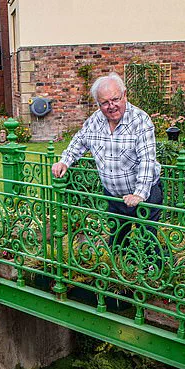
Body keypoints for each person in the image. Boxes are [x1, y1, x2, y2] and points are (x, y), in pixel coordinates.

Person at [51, 72, 163, 250]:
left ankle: (153, 272)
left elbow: (147, 160)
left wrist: (139, 194)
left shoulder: (140, 121)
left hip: (144, 196)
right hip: (114, 197)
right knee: (117, 245)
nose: (111, 106)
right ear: (98, 104)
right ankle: (118, 272)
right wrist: (65, 161)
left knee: (147, 245)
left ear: (125, 95)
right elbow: (79, 141)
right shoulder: (95, 120)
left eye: (115, 99)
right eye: (105, 103)